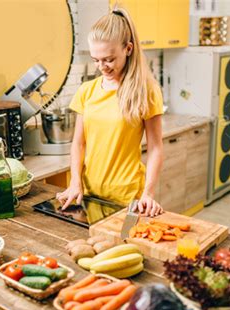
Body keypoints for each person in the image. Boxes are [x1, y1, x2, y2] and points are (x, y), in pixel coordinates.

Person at [56, 7, 164, 217]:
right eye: (96, 60)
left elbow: (156, 148)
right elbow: (79, 144)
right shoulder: (87, 91)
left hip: (127, 197)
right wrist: (75, 183)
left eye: (108, 59)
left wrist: (148, 193)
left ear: (128, 49)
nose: (101, 66)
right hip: (88, 195)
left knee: (124, 249)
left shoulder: (146, 91)